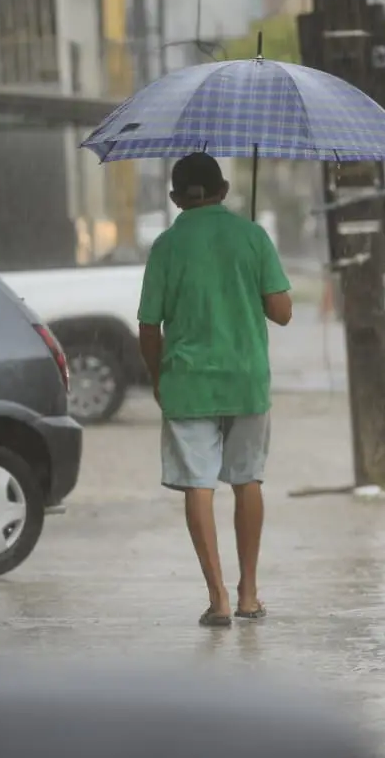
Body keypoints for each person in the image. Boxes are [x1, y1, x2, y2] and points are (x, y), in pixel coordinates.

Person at [137, 152, 293, 628]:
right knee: (247, 479)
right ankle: (249, 593)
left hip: (187, 380)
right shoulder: (252, 236)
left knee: (198, 484)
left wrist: (157, 377)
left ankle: (218, 598)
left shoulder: (166, 246)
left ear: (175, 198)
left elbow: (148, 326)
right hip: (246, 378)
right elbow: (283, 311)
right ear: (224, 190)